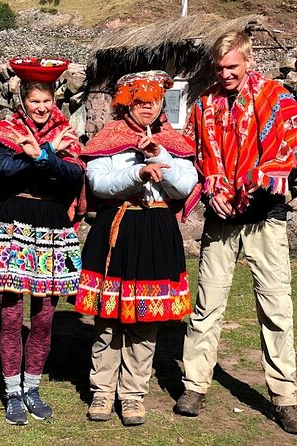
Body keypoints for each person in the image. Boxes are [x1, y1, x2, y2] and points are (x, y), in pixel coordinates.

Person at [175, 30, 297, 434]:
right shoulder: (204, 103)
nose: (226, 73)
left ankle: (285, 398)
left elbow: (287, 152)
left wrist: (254, 182)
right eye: (220, 67)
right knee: (207, 305)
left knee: (275, 307)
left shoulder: (276, 99)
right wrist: (212, 188)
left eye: (233, 66)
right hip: (221, 217)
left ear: (247, 61)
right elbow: (196, 157)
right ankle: (194, 385)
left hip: (265, 217)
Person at [73, 70, 197, 426]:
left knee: (146, 319)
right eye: (140, 101)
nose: (147, 108)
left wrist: (162, 159)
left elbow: (185, 185)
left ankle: (132, 395)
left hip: (156, 230)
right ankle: (101, 392)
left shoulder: (172, 140)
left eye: (153, 101)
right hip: (117, 229)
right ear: (127, 102)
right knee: (108, 319)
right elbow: (98, 182)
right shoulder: (108, 137)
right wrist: (137, 174)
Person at [0, 57, 85, 425]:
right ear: (23, 100)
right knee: (10, 316)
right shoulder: (5, 130)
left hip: (53, 228)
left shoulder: (66, 132)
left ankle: (32, 387)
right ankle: (11, 392)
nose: (41, 108)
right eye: (34, 100)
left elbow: (72, 177)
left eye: (46, 101)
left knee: (43, 316)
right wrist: (43, 157)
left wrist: (40, 153)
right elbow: (3, 172)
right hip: (12, 225)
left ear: (54, 100)